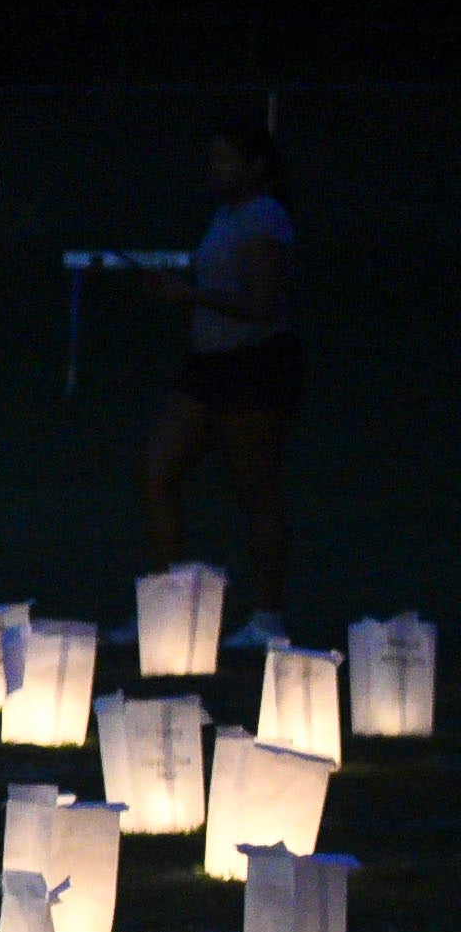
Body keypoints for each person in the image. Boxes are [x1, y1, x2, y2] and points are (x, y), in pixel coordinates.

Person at [134, 118, 300, 633]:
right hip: (208, 366)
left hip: (251, 365)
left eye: (225, 159)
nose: (214, 168)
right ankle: (168, 615)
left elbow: (262, 303)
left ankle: (268, 618)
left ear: (256, 167)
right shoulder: (226, 216)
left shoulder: (264, 219)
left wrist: (190, 295)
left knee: (255, 490)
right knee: (156, 469)